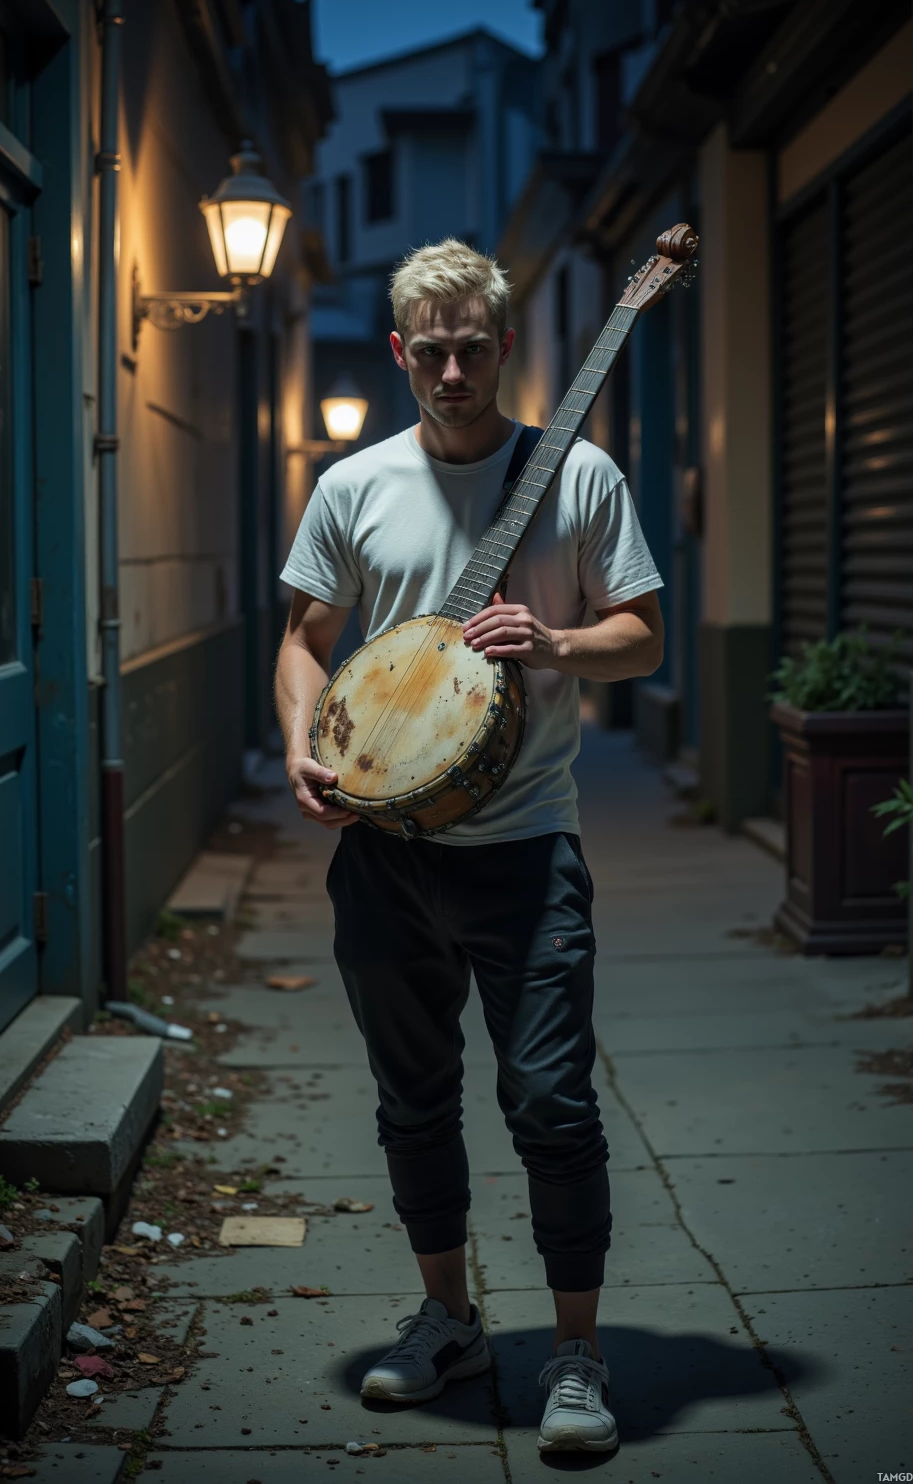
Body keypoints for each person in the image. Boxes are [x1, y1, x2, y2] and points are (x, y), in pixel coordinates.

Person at [274, 238, 663, 1454]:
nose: (450, 368)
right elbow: (303, 638)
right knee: (412, 1098)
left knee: (550, 1100)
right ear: (400, 351)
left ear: (504, 346)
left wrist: (553, 644)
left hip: (526, 848)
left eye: (470, 346)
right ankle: (445, 1320)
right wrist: (302, 743)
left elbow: (642, 637)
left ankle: (577, 1352)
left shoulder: (579, 473)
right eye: (427, 348)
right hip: (385, 853)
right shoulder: (353, 486)